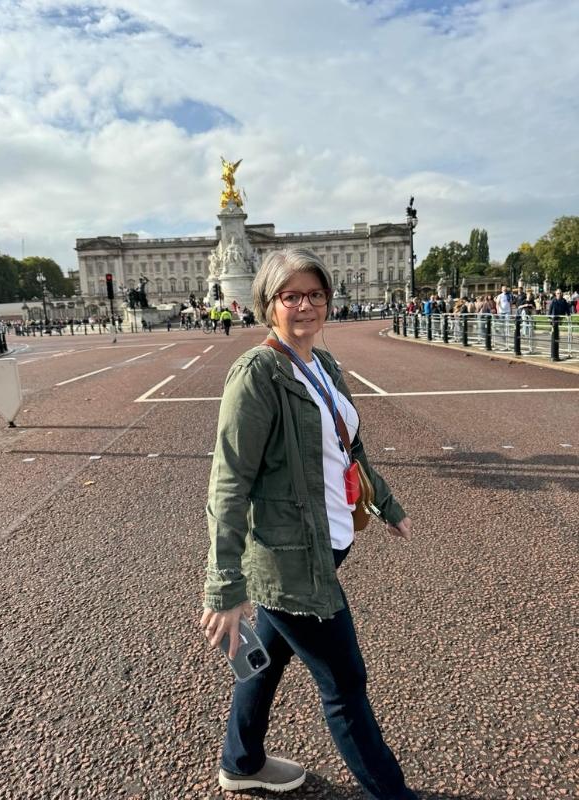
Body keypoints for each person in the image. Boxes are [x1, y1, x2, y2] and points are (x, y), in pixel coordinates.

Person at [200, 247, 417, 799]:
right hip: (289, 558)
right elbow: (228, 483)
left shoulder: (324, 364)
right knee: (345, 686)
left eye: (315, 294)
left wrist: (387, 506)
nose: (305, 306)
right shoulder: (257, 372)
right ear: (268, 304)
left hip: (326, 542)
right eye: (291, 296)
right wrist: (225, 585)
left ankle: (240, 760)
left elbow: (352, 446)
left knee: (263, 662)